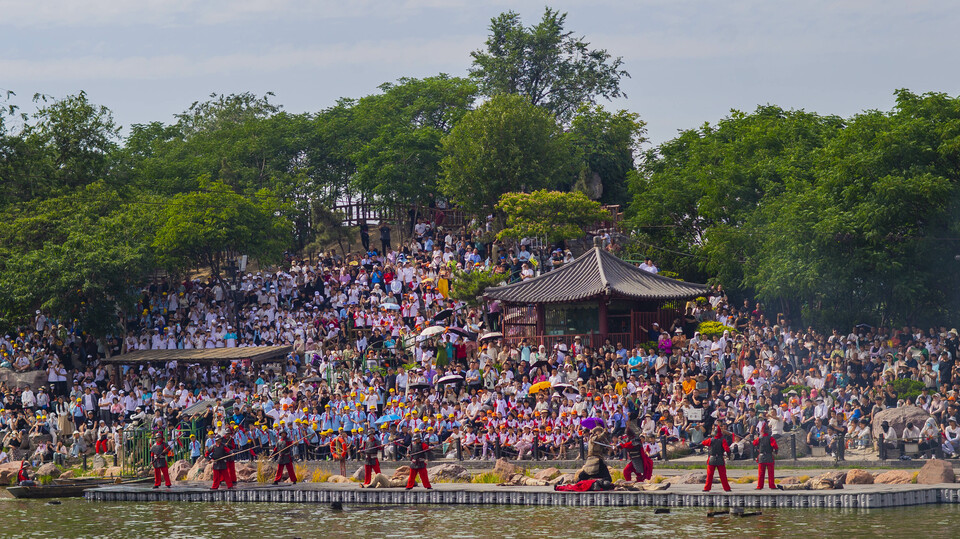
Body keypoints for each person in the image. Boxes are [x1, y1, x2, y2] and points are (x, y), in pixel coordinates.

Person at [703, 426, 731, 492]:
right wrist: (729, 455)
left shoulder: (710, 440)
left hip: (712, 458)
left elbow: (704, 443)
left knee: (709, 475)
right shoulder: (723, 440)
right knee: (723, 475)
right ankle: (726, 488)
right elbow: (727, 449)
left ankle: (707, 488)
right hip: (720, 458)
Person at [752, 424, 778, 490]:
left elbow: (754, 443)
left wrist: (753, 441)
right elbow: (774, 446)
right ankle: (772, 485)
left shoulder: (759, 438)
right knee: (771, 473)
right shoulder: (771, 438)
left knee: (761, 473)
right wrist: (776, 451)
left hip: (761, 457)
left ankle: (759, 486)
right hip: (769, 456)